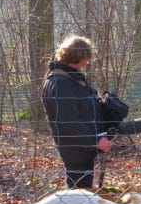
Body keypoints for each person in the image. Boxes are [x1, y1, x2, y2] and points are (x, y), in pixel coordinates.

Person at [42, 35, 114, 189]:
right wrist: (96, 140)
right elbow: (69, 122)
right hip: (75, 148)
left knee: (82, 192)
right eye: (84, 60)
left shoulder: (69, 78)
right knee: (79, 193)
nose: (85, 64)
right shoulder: (61, 83)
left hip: (81, 146)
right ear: (75, 57)